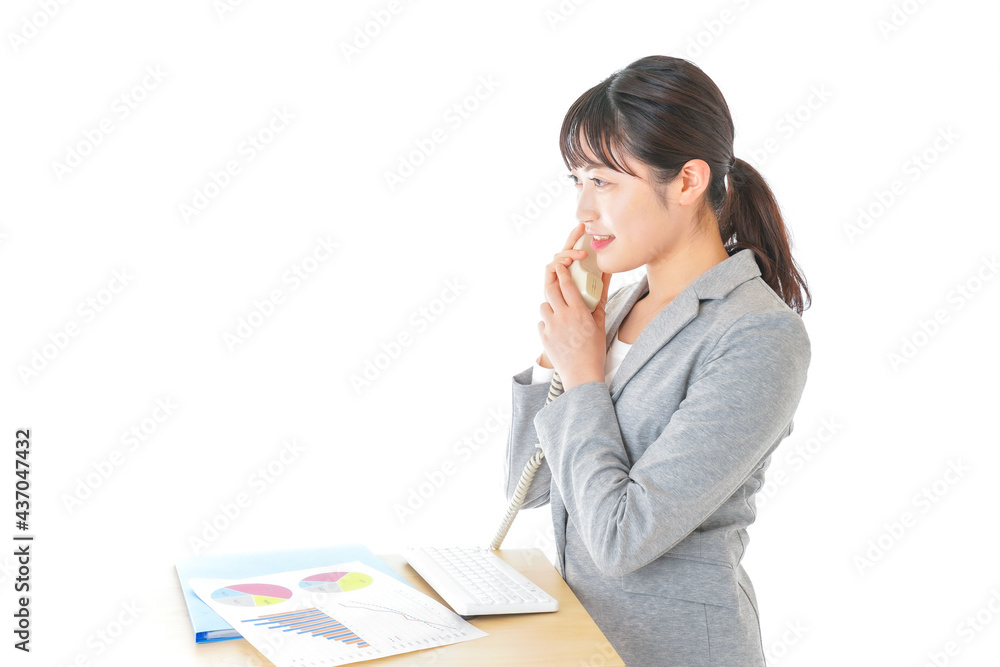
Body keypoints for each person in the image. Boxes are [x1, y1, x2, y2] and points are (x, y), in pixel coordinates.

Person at [503, 56, 812, 665]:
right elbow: (528, 486)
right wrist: (556, 352)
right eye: (577, 181)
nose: (582, 210)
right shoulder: (616, 307)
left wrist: (583, 373)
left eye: (604, 182)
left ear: (688, 181)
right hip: (582, 646)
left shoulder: (759, 335)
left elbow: (621, 538)